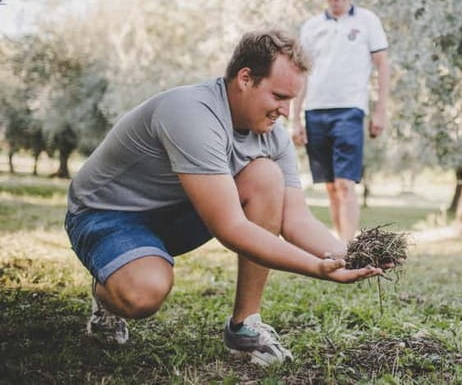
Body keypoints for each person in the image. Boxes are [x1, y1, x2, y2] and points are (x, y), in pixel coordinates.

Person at [65, 30, 383, 365]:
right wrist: (317, 267)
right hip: (105, 214)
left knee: (265, 176)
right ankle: (107, 292)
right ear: (246, 78)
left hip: (176, 212)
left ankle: (245, 325)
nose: (286, 111)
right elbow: (230, 226)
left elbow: (296, 219)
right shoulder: (192, 112)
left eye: (290, 100)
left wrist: (352, 257)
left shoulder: (272, 137)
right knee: (143, 293)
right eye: (278, 96)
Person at [292, 0, 390, 241]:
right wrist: (295, 118)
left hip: (350, 110)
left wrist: (380, 111)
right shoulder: (311, 27)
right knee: (331, 186)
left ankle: (349, 250)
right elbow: (302, 74)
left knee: (346, 183)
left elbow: (383, 65)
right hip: (315, 111)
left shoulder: (367, 21)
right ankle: (339, 247)